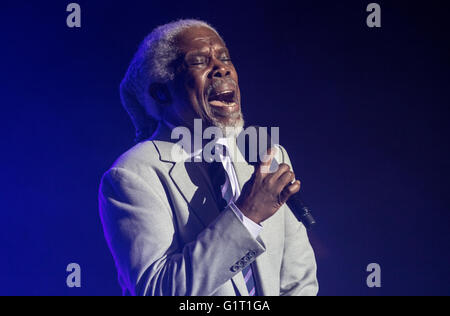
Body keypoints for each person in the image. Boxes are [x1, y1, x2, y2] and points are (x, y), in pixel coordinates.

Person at [98, 19, 318, 296]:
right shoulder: (134, 174)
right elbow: (157, 291)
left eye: (224, 58)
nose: (222, 68)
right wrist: (247, 214)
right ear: (161, 92)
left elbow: (299, 281)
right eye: (200, 61)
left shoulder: (264, 156)